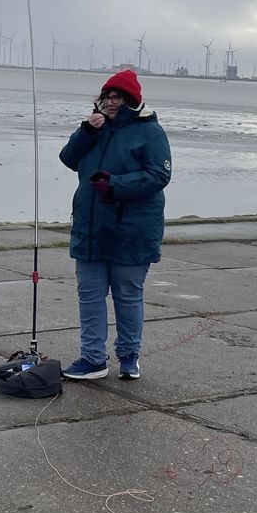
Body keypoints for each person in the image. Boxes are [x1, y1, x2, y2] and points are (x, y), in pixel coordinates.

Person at [58, 69, 172, 381]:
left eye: (117, 97)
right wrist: (86, 131)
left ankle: (129, 357)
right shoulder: (94, 128)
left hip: (133, 230)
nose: (110, 102)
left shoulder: (150, 132)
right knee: (90, 295)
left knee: (127, 295)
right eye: (106, 96)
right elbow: (68, 158)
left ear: (131, 101)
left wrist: (115, 184)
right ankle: (93, 358)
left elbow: (159, 175)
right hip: (91, 227)